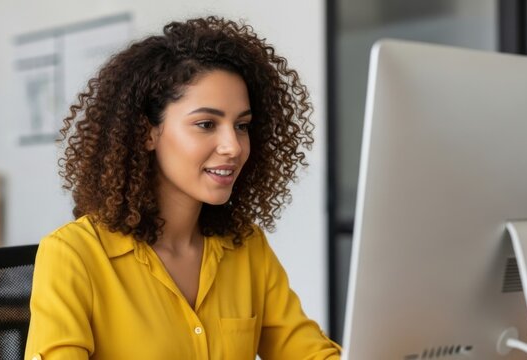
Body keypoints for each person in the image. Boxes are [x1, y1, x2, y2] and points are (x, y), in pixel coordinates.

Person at [24, 16, 341, 360]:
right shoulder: (74, 256)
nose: (233, 146)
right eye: (206, 124)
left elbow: (307, 352)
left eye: (242, 125)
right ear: (147, 132)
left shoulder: (246, 247)